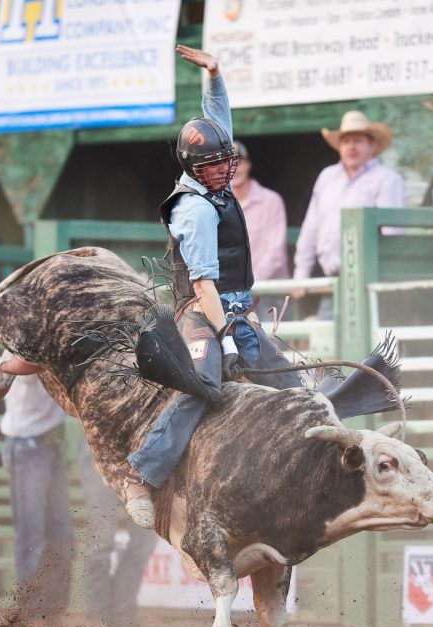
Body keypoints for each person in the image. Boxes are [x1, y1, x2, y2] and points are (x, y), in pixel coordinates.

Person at [117, 45, 260, 530]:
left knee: (284, 378)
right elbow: (203, 284)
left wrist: (215, 74)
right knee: (204, 384)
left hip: (236, 308)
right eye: (216, 165)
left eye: (227, 161)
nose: (225, 169)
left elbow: (217, 118)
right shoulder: (195, 209)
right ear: (195, 168)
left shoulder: (211, 180)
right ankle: (142, 473)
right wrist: (223, 336)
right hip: (202, 312)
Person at [292, 110, 405, 319]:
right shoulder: (327, 177)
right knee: (328, 348)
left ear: (372, 145)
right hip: (333, 283)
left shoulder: (387, 179)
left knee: (373, 348)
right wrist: (301, 275)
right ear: (339, 147)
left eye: (358, 140)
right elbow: (311, 228)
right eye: (346, 141)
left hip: (371, 281)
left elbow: (392, 234)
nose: (351, 146)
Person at [0, 374, 74, 625]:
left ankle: (50, 613)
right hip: (27, 446)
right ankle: (31, 616)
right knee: (32, 535)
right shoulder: (22, 344)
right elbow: (27, 364)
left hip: (45, 446)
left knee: (61, 535)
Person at [77, 435, 156, 627]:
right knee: (102, 541)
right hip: (104, 453)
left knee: (141, 543)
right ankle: (99, 615)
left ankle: (121, 614)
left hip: (143, 459)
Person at [231, 138, 289, 318]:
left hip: (269, 294)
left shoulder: (271, 201)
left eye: (239, 163)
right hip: (231, 295)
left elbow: (275, 253)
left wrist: (248, 285)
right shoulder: (217, 205)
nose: (235, 169)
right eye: (228, 164)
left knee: (274, 344)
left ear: (248, 165)